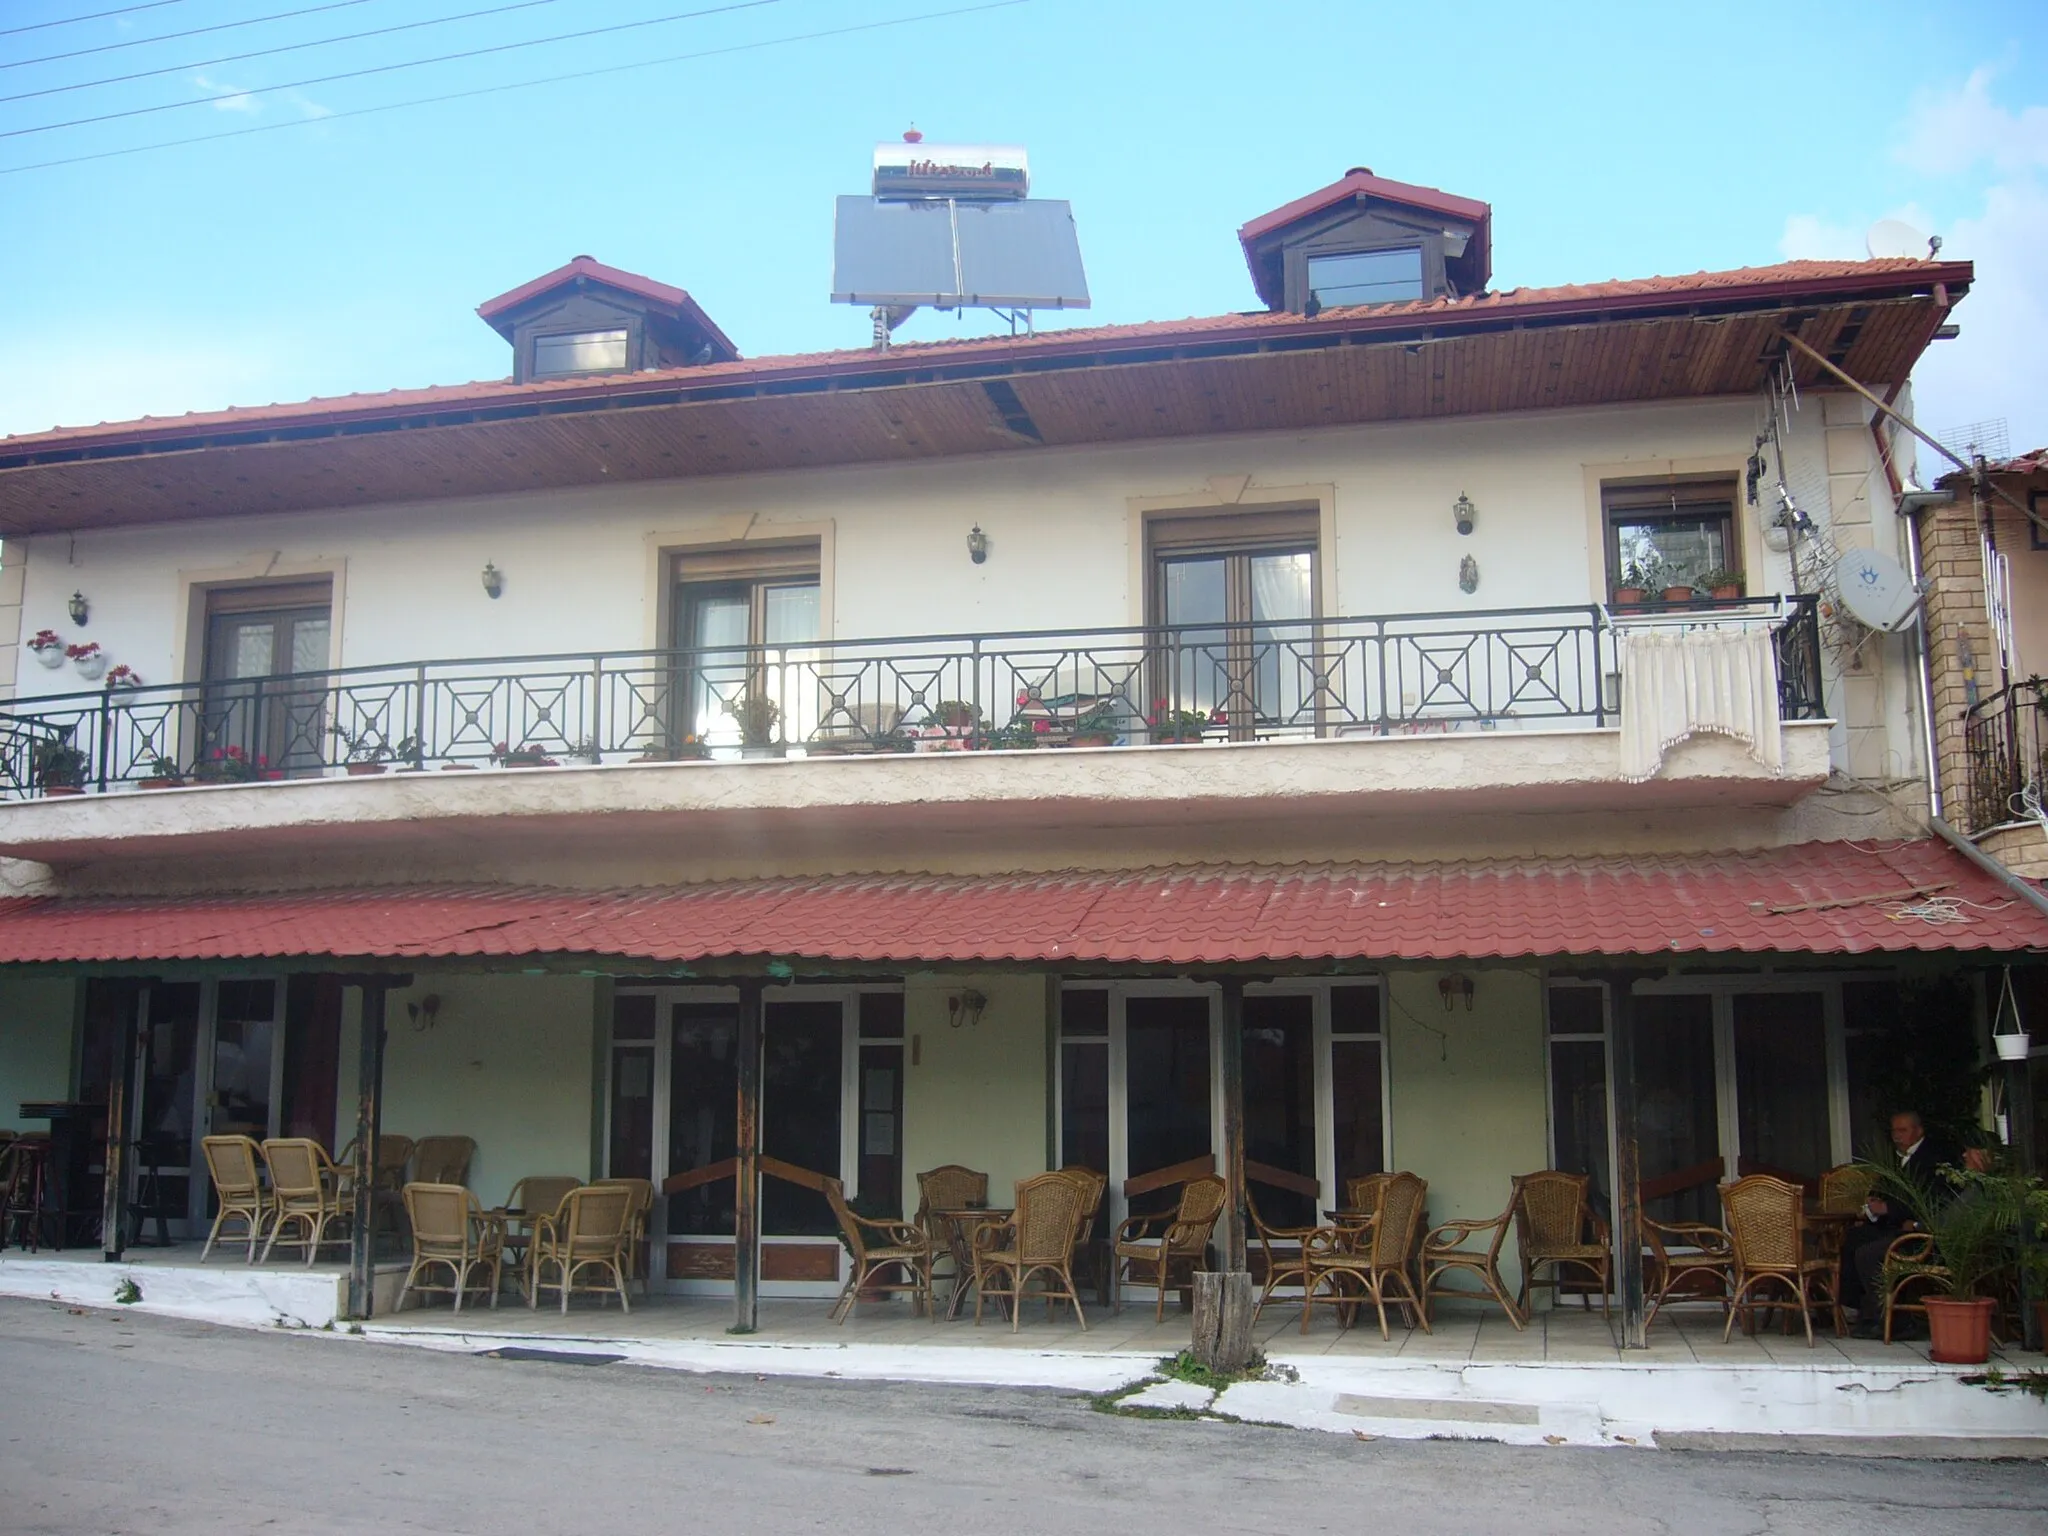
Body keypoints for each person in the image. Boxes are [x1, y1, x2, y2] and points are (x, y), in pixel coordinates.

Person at [1838, 1109, 1969, 1337]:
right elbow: (1882, 1187)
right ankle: (1862, 1309)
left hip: (1920, 1234)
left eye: (1903, 1130)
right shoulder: (1894, 1157)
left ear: (1918, 1131)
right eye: (1894, 1131)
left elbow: (1932, 1200)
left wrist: (1890, 1209)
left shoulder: (1934, 1158)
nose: (1897, 1136)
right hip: (1893, 1226)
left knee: (1868, 1254)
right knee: (1854, 1238)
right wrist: (1874, 1200)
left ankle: (1896, 1320)